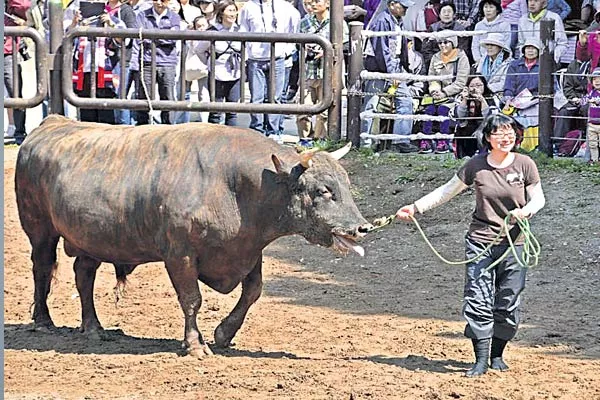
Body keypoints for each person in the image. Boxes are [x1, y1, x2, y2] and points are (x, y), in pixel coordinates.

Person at [396, 113, 546, 378]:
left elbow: (538, 199)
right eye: (499, 132)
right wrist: (416, 207)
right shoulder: (475, 166)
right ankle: (480, 359)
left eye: (509, 131)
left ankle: (498, 354)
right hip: (480, 241)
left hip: (516, 243)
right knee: (478, 299)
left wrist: (526, 212)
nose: (505, 137)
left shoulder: (525, 164)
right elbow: (446, 191)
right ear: (487, 137)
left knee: (508, 302)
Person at [362, 0, 420, 153]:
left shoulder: (396, 21)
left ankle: (401, 140)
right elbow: (382, 50)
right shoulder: (382, 20)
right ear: (392, 4)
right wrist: (392, 73)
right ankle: (366, 142)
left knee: (405, 101)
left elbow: (395, 50)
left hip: (392, 69)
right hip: (380, 69)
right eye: (403, 6)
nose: (406, 9)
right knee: (372, 104)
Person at [238, 0, 299, 141]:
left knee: (275, 97)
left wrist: (286, 50)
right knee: (256, 98)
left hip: (278, 57)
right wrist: (247, 54)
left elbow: (294, 28)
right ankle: (257, 130)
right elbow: (243, 30)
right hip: (256, 58)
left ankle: (274, 131)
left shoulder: (285, 7)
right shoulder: (249, 6)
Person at [296, 0, 347, 143]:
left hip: (328, 72)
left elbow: (345, 45)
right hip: (308, 71)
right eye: (311, 2)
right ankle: (304, 138)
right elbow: (298, 44)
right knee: (302, 108)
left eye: (317, 1)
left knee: (324, 112)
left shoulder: (338, 22)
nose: (313, 5)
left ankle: (320, 139)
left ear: (327, 3)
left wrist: (327, 52)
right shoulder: (304, 22)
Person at [130, 0, 182, 125]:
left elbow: (172, 38)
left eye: (163, 0)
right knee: (144, 97)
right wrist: (162, 36)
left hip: (167, 61)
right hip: (147, 60)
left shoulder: (174, 16)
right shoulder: (142, 15)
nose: (159, 2)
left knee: (168, 96)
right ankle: (143, 126)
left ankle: (168, 126)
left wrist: (151, 37)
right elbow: (139, 37)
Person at [193, 0, 241, 126]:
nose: (233, 14)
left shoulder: (240, 29)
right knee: (216, 111)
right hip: (217, 74)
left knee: (233, 110)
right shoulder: (213, 30)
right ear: (221, 13)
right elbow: (199, 49)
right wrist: (210, 63)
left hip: (235, 74)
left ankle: (232, 140)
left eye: (234, 10)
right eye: (229, 10)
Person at [419, 34, 469, 154]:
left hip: (454, 95)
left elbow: (461, 82)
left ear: (453, 43)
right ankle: (426, 139)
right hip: (437, 94)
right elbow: (432, 77)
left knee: (443, 110)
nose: (442, 45)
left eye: (446, 42)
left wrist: (445, 92)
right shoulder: (436, 57)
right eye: (440, 43)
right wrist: (434, 90)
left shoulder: (461, 57)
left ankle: (444, 140)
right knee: (429, 110)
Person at [503, 37, 541, 151]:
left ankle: (531, 146)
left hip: (536, 99)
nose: (530, 51)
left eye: (533, 48)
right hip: (516, 100)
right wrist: (508, 100)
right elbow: (509, 85)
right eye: (528, 48)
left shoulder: (544, 64)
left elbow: (550, 87)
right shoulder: (515, 65)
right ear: (523, 50)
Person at [4, 0, 31, 144]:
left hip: (7, 51)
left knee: (15, 92)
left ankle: (19, 133)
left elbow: (23, 4)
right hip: (8, 49)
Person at [454, 75, 498, 158]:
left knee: (483, 133)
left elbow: (490, 118)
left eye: (479, 85)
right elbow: (459, 116)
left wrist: (482, 101)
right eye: (472, 86)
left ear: (484, 86)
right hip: (467, 128)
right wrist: (465, 99)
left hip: (484, 127)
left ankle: (484, 155)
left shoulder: (491, 97)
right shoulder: (461, 97)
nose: (475, 88)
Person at [553, 54, 591, 142]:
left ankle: (588, 142)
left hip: (591, 98)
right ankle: (558, 142)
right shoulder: (573, 65)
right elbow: (568, 87)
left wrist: (588, 99)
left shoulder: (596, 63)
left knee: (587, 110)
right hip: (575, 97)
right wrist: (573, 98)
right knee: (564, 111)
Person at [475, 32, 513, 98]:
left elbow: (503, 84)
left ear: (500, 47)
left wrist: (485, 88)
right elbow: (478, 76)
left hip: (498, 95)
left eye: (493, 45)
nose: (489, 47)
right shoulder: (483, 59)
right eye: (488, 45)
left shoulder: (509, 62)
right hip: (480, 92)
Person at [581, 68, 600, 164]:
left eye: (599, 79)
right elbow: (584, 100)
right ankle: (595, 160)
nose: (597, 81)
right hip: (592, 123)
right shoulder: (592, 93)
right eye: (594, 79)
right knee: (593, 144)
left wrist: (596, 101)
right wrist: (579, 100)